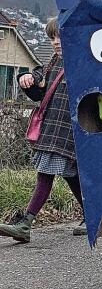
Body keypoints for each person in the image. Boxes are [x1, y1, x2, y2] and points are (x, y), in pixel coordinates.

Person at [0, 18, 86, 243]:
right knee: (65, 173)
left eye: (60, 36)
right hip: (51, 127)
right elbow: (39, 90)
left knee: (56, 173)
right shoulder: (54, 62)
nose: (56, 42)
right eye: (52, 37)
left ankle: (26, 224)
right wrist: (25, 80)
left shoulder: (85, 63)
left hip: (71, 129)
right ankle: (90, 215)